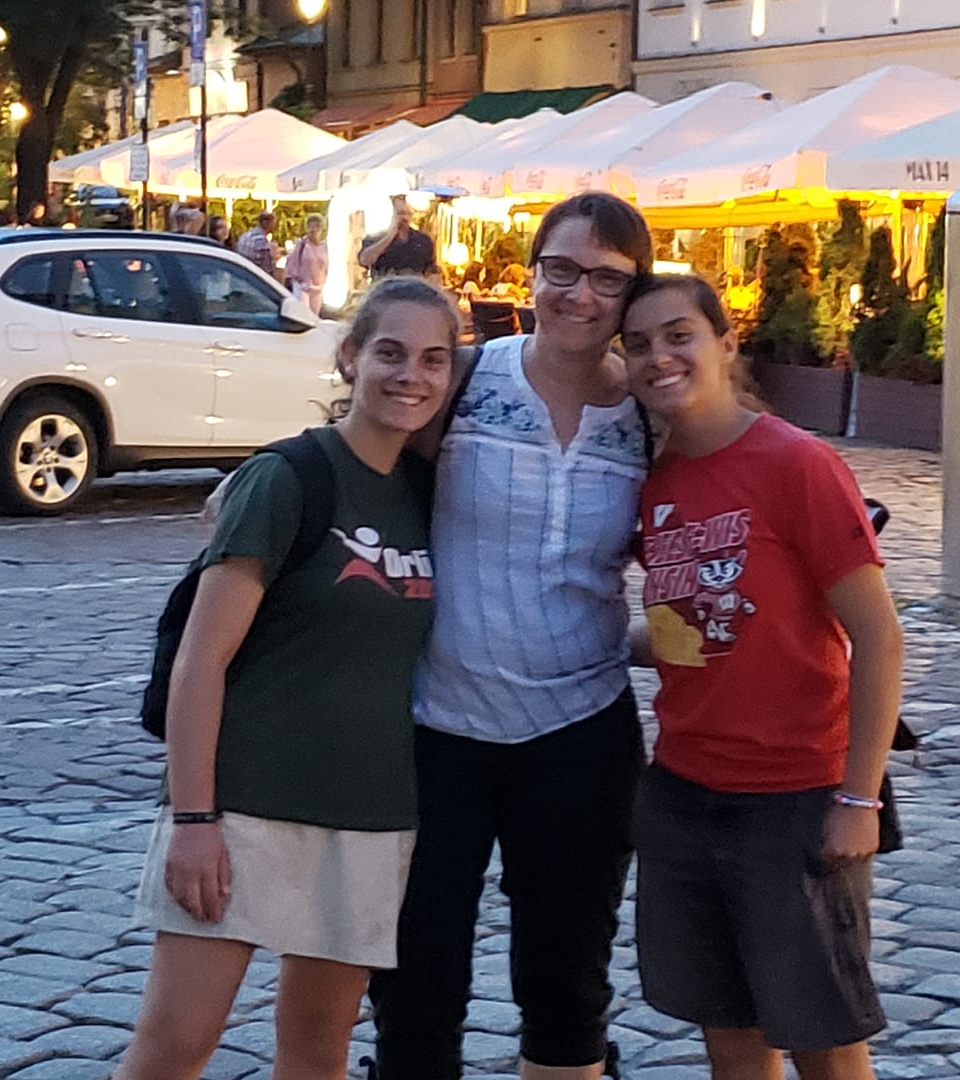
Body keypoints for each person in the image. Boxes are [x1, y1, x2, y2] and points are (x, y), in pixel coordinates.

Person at [114, 278, 460, 1080]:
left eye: (435, 360)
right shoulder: (287, 479)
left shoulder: (429, 490)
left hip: (371, 817)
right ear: (349, 358)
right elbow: (204, 658)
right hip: (245, 806)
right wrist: (195, 817)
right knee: (175, 1047)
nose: (412, 375)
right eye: (391, 353)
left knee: (317, 1053)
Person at [368, 192, 654, 1080]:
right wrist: (271, 482)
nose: (579, 295)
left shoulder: (651, 417)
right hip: (436, 729)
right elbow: (363, 451)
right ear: (532, 276)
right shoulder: (465, 378)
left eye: (607, 278)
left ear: (632, 293)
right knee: (415, 986)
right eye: (561, 270)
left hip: (580, 732)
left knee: (567, 990)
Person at [621, 274, 905, 1080]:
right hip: (683, 790)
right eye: (637, 344)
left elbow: (879, 638)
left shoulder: (795, 463)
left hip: (794, 796)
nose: (659, 357)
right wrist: (599, 641)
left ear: (725, 342)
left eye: (679, 335)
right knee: (729, 1033)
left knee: (822, 1036)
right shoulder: (656, 478)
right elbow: (701, 621)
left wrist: (858, 799)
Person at [359, 195, 436, 280]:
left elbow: (431, 270)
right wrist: (391, 236)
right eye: (400, 213)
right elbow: (365, 260)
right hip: (385, 289)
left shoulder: (423, 240)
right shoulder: (375, 238)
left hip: (412, 290)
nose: (404, 217)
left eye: (407, 213)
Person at [285, 213, 329, 316]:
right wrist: (296, 279)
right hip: (302, 286)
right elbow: (292, 263)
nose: (314, 230)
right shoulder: (301, 244)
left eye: (317, 226)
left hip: (318, 287)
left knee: (314, 316)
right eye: (311, 226)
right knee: (303, 314)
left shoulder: (325, 246)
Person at [237, 211, 281, 280]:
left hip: (241, 274)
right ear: (267, 223)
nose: (275, 226)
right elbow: (266, 267)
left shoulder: (246, 235)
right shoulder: (260, 240)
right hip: (253, 278)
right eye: (274, 223)